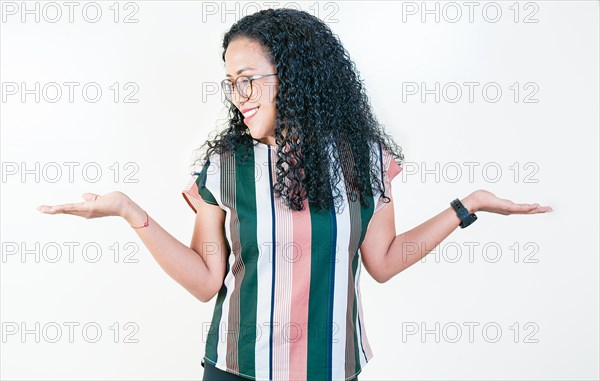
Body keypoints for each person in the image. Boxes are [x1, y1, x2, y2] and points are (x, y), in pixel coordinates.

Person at [36, 8, 553, 381]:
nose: (238, 97)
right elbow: (204, 280)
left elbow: (385, 260)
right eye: (230, 83)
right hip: (238, 369)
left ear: (297, 76)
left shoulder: (364, 161)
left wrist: (469, 206)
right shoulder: (223, 167)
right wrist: (129, 211)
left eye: (248, 80)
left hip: (332, 369)